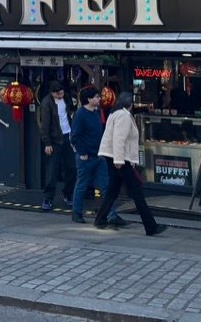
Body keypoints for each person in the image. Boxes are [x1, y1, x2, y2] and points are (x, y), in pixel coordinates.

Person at [94, 92, 167, 236]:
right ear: (130, 104)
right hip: (121, 158)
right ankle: (150, 226)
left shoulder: (115, 113)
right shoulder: (124, 116)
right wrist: (119, 160)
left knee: (112, 190)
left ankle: (100, 219)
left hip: (113, 156)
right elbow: (119, 139)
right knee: (137, 192)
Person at [69, 86, 124, 227]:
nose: (99, 99)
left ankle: (111, 215)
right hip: (86, 156)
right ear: (89, 99)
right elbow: (75, 136)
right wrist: (82, 152)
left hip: (99, 155)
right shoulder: (80, 115)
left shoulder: (97, 112)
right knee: (82, 185)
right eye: (97, 97)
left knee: (105, 186)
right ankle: (76, 212)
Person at [40, 80, 76, 211]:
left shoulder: (66, 99)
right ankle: (48, 198)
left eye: (61, 92)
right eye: (58, 93)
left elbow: (70, 113)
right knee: (52, 170)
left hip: (68, 135)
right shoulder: (47, 103)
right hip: (55, 139)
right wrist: (47, 142)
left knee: (71, 167)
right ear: (52, 93)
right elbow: (45, 124)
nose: (60, 95)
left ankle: (68, 194)